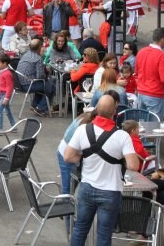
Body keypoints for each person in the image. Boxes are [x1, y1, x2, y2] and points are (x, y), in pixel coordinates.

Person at [64, 95, 139, 246]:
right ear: (115, 111)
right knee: (104, 234)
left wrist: (84, 156)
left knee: (80, 229)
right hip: (110, 191)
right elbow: (133, 166)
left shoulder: (82, 130)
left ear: (96, 109)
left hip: (86, 187)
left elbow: (68, 156)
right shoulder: (122, 136)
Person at [16, 39, 55, 117]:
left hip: (19, 83)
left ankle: (35, 104)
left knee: (44, 84)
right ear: (39, 48)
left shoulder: (26, 54)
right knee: (51, 85)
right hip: (28, 84)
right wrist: (47, 72)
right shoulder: (38, 58)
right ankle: (41, 108)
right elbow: (40, 76)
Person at [0, 54, 15, 131]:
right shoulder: (3, 72)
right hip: (3, 94)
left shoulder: (7, 74)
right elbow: (1, 84)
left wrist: (6, 98)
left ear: (5, 64)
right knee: (7, 111)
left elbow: (9, 86)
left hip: (5, 94)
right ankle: (13, 126)